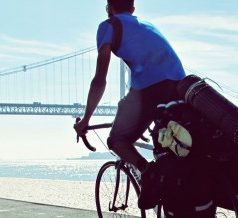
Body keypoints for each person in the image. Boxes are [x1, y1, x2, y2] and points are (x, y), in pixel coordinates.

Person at [74, 0, 185, 178]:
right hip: (181, 86)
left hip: (150, 89)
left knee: (117, 140)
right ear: (132, 9)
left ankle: (149, 173)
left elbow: (99, 81)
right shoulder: (148, 25)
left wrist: (85, 120)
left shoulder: (108, 26)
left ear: (109, 8)